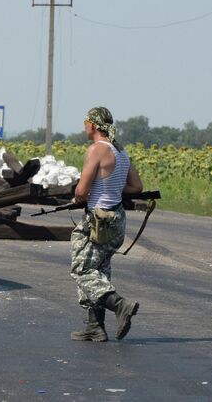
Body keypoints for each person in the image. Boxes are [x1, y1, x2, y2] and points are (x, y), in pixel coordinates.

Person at [70, 107, 143, 342]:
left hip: (98, 221)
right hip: (117, 219)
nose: (84, 127)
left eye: (85, 122)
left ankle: (120, 305)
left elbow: (81, 192)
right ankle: (95, 326)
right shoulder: (120, 151)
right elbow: (136, 187)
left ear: (92, 125)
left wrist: (79, 195)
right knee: (99, 270)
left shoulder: (97, 150)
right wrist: (111, 189)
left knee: (82, 270)